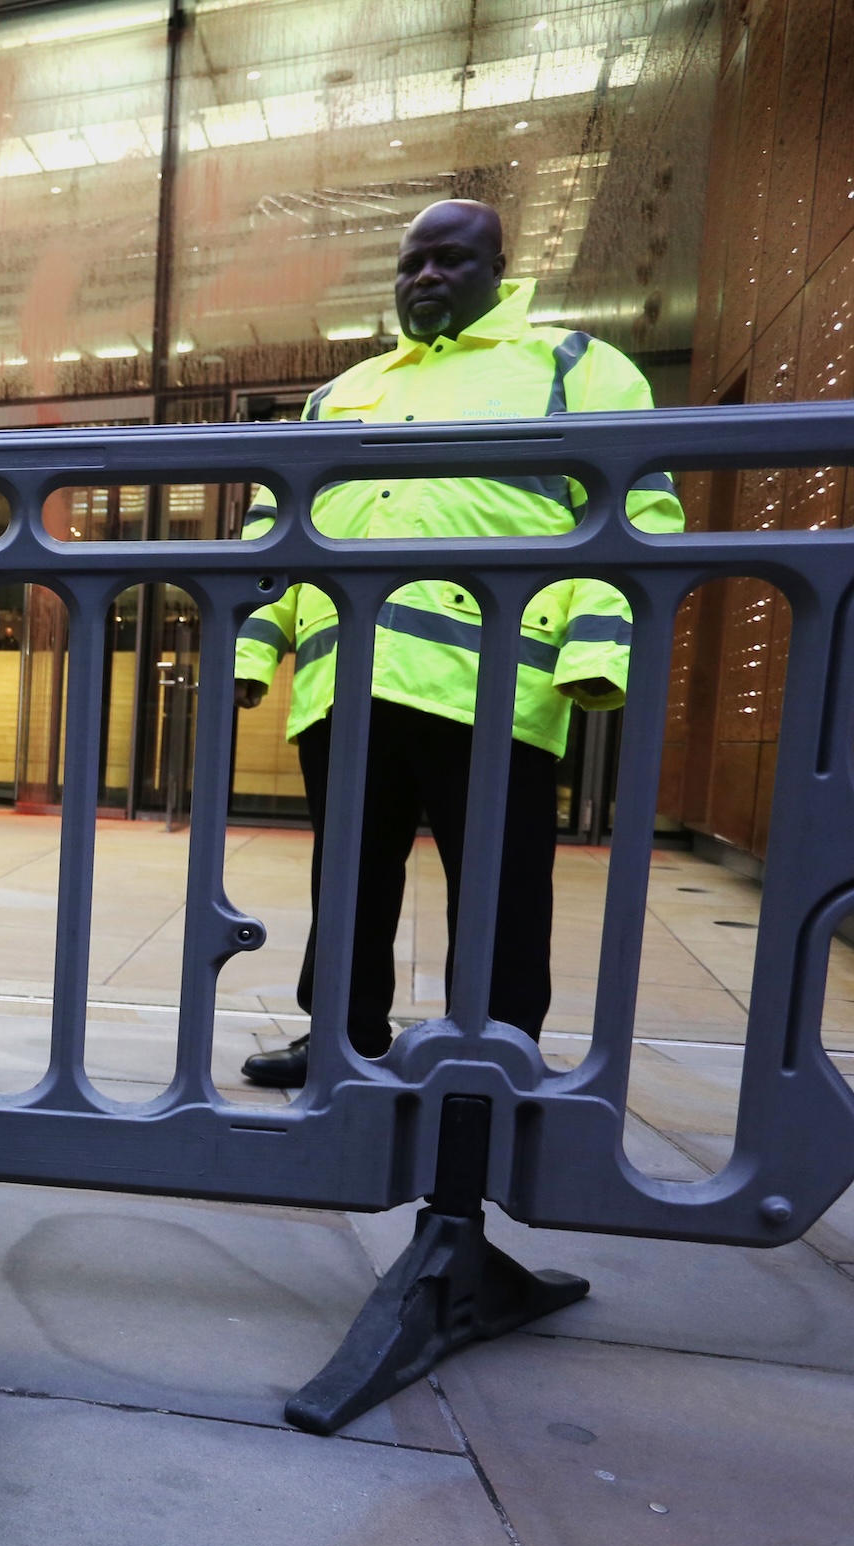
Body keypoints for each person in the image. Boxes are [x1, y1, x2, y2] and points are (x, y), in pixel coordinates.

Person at [232, 201, 681, 1087]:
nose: (425, 276)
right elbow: (275, 529)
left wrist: (596, 653)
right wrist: (253, 648)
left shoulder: (573, 366)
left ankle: (494, 1049)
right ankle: (340, 1040)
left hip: (495, 682)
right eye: (411, 264)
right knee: (348, 879)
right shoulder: (340, 393)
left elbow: (636, 513)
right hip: (346, 680)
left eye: (449, 259)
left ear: (500, 268)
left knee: (500, 886)